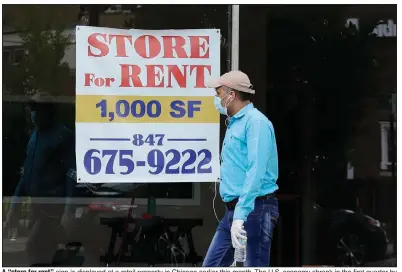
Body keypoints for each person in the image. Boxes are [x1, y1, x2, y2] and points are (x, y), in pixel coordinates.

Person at [202, 71, 279, 267]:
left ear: (231, 94)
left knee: (254, 265)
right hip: (235, 211)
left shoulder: (256, 122)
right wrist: (236, 215)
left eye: (218, 93)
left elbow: (256, 172)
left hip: (255, 208)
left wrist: (241, 215)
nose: (216, 98)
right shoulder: (235, 122)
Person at [4, 91, 76, 266]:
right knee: (45, 252)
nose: (34, 113)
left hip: (52, 209)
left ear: (49, 111)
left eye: (39, 109)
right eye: (32, 109)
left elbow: (71, 174)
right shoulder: (35, 137)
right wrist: (14, 206)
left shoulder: (62, 136)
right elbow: (26, 174)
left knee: (33, 247)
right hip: (37, 207)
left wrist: (68, 210)